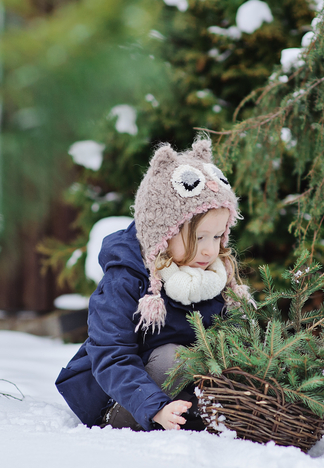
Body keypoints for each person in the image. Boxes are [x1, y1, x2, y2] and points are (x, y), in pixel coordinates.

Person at [55, 134, 252, 431]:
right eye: (199, 238)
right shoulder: (126, 277)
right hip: (115, 395)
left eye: (217, 236)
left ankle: (196, 413)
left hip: (178, 387)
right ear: (164, 231)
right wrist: (155, 407)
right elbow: (111, 353)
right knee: (174, 357)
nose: (211, 250)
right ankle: (147, 417)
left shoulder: (212, 275)